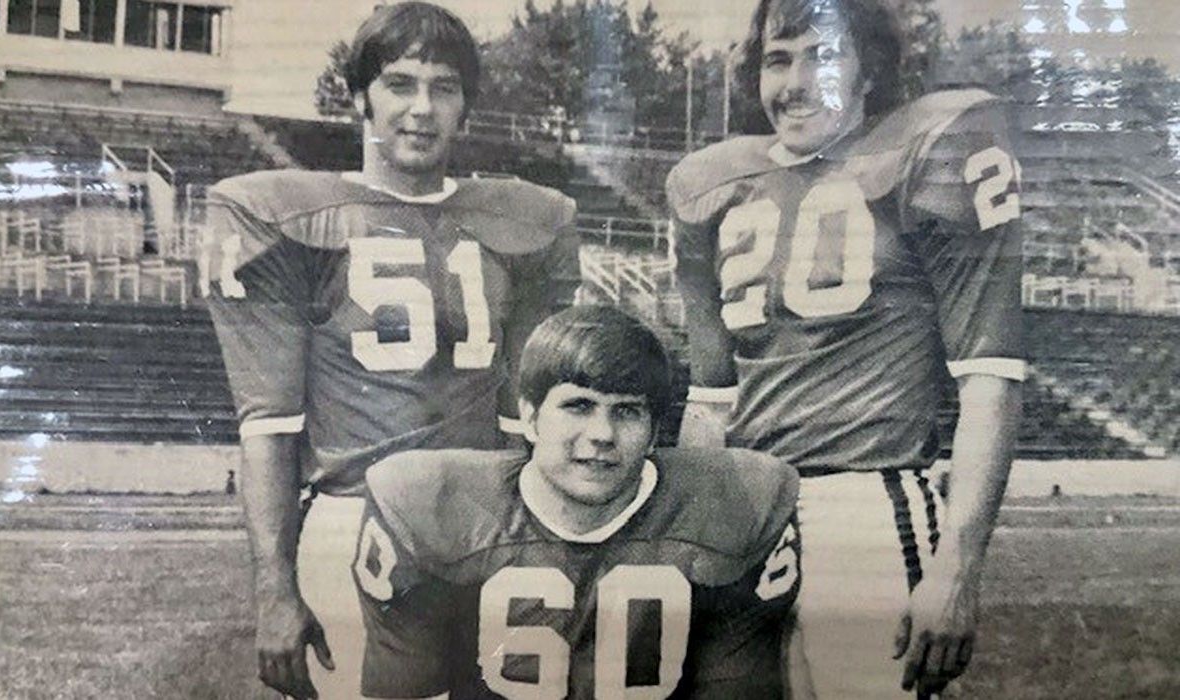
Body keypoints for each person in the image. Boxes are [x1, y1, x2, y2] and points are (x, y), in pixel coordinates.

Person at [202, 3, 579, 697]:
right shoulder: (292, 218)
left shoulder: (524, 221)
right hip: (356, 521)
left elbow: (531, 419)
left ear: (466, 106)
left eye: (444, 87)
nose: (422, 108)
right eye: (400, 84)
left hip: (488, 525)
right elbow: (270, 429)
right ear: (360, 99)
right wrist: (274, 591)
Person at [665, 0, 1024, 697]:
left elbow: (991, 377)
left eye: (824, 55)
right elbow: (711, 400)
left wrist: (957, 566)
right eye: (778, 58)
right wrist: (688, 542)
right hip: (744, 511)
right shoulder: (711, 187)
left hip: (867, 505)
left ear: (870, 71)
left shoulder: (929, 152)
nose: (797, 82)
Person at [353, 305, 811, 698]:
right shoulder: (427, 507)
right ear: (530, 418)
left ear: (654, 434)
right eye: (578, 406)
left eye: (627, 412)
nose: (602, 435)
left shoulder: (740, 506)